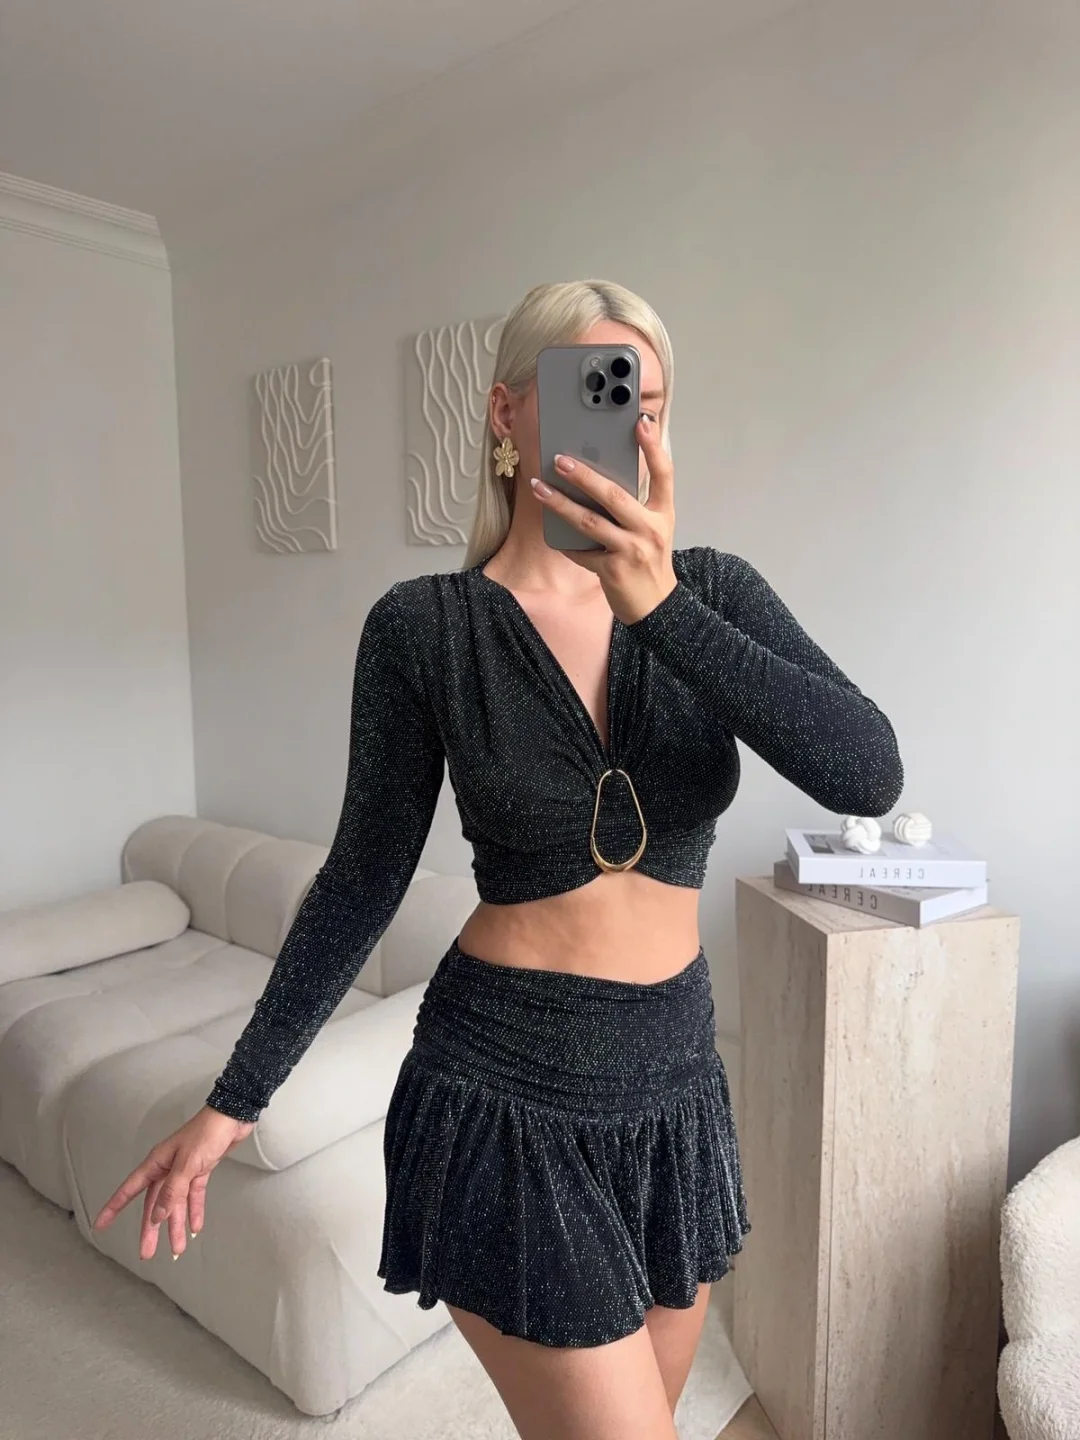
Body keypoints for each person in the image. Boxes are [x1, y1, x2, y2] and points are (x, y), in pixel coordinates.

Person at [93, 279, 904, 1439]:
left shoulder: (712, 592)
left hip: (674, 1090)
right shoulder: (425, 627)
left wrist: (659, 607)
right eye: (594, 393)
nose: (625, 426)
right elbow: (364, 877)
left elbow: (867, 772)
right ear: (507, 413)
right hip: (505, 1091)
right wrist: (236, 1100)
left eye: (648, 405)